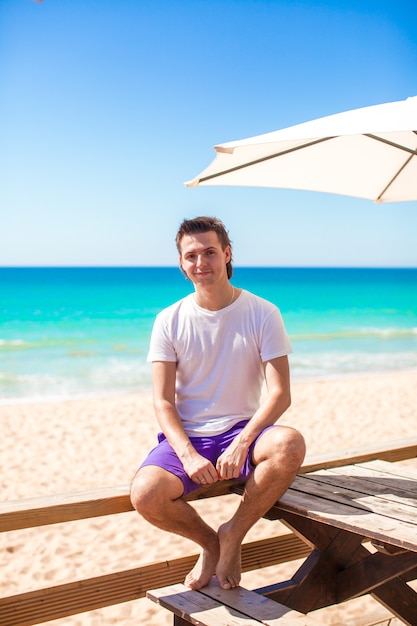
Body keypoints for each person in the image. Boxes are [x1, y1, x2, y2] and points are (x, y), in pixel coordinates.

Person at [130, 216, 305, 591]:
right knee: (145, 493)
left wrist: (243, 442)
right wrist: (189, 455)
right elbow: (162, 401)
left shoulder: (263, 312)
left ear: (227, 254)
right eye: (191, 255)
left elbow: (279, 393)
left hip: (244, 430)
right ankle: (210, 542)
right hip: (188, 437)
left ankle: (233, 533)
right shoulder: (168, 320)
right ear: (181, 263)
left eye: (210, 252)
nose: (201, 262)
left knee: (289, 443)